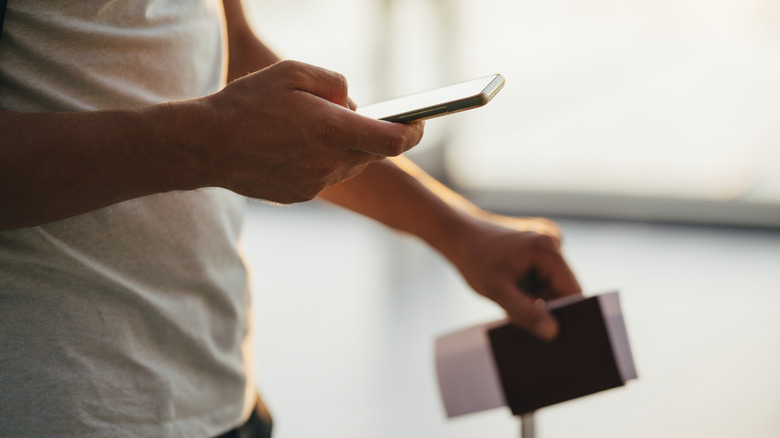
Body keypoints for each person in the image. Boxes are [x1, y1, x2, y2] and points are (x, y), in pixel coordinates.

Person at [0, 1, 581, 437]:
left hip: (221, 394)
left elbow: (230, 48)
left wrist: (460, 231)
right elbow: (219, 122)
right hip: (56, 409)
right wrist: (208, 143)